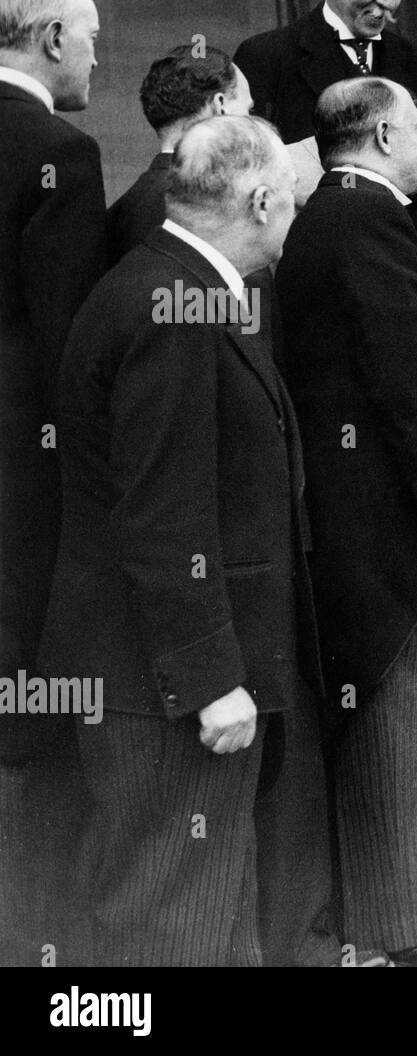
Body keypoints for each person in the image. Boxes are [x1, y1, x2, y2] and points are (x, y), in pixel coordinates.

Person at [39, 115, 338, 965]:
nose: (295, 212)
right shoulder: (172, 307)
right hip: (163, 684)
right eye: (290, 197)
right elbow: (162, 514)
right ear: (260, 197)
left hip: (158, 670)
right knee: (178, 918)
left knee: (192, 908)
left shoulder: (177, 287)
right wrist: (212, 680)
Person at [276, 77, 417, 967]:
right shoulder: (367, 219)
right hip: (394, 525)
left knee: (376, 720)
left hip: (353, 519)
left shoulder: (323, 216)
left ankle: (376, 926)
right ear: (377, 134)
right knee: (401, 720)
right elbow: (400, 366)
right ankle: (412, 930)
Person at [0, 0, 106, 966]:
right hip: (26, 484)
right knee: (35, 706)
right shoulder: (61, 154)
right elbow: (71, 342)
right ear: (48, 42)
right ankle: (42, 945)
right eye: (88, 38)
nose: (95, 56)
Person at [234, 0, 417, 253]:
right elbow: (249, 178)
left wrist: (410, 247)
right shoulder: (267, 57)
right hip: (311, 258)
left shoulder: (414, 63)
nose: (388, 0)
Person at [107, 44, 253, 262]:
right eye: (248, 110)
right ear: (220, 104)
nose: (253, 123)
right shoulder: (205, 201)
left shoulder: (127, 206)